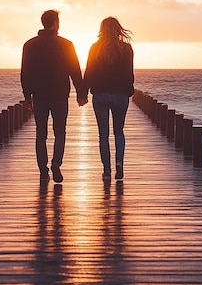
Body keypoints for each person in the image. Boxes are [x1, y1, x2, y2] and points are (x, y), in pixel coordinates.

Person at [21, 10, 87, 184]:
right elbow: (74, 69)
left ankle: (43, 170)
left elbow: (25, 72)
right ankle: (56, 163)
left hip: (39, 95)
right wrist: (81, 93)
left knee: (40, 134)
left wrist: (27, 96)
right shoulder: (66, 44)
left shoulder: (30, 45)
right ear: (55, 22)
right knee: (60, 132)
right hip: (59, 95)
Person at [83, 17, 134, 181]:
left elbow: (89, 72)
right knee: (119, 131)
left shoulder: (95, 48)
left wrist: (83, 92)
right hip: (120, 95)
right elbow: (129, 73)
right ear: (119, 29)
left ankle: (106, 170)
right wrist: (129, 90)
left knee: (103, 134)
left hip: (100, 95)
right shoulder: (126, 49)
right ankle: (119, 163)